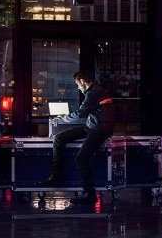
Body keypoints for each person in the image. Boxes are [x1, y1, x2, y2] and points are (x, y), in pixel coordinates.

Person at [38, 71, 114, 204]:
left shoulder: (94, 93)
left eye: (78, 84)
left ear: (83, 81)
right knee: (59, 138)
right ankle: (56, 175)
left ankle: (89, 193)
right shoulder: (95, 91)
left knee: (81, 158)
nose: (78, 87)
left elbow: (80, 113)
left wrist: (63, 118)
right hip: (92, 126)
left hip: (99, 130)